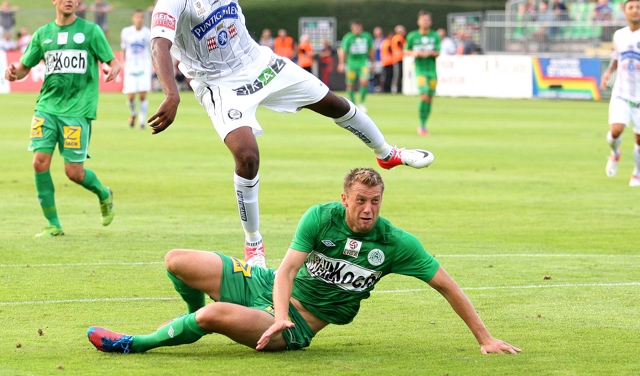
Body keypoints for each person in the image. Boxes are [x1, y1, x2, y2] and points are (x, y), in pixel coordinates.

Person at [146, 0, 434, 268]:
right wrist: (171, 94)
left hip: (257, 62)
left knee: (334, 104)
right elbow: (159, 43)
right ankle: (254, 243)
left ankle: (386, 153)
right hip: (218, 82)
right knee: (247, 155)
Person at [87, 167, 521, 355]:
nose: (368, 210)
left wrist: (485, 337)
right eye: (361, 201)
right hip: (267, 287)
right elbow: (289, 270)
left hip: (298, 324)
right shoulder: (321, 217)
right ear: (345, 199)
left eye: (376, 202)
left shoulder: (395, 243)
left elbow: (446, 284)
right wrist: (274, 310)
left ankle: (136, 343)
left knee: (216, 314)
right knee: (176, 260)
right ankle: (188, 317)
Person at [3, 0, 120, 237]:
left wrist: (113, 69)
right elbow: (24, 68)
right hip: (46, 107)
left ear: (78, 1)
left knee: (73, 172)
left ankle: (103, 193)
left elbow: (112, 61)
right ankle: (53, 225)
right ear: (54, 0)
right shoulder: (43, 34)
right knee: (39, 162)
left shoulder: (90, 32)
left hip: (77, 111)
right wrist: (13, 73)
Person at [601, 0, 640, 186]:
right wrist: (608, 72)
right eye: (631, 7)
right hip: (622, 93)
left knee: (639, 140)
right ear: (625, 12)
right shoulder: (619, 35)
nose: (635, 10)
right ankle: (615, 153)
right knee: (615, 131)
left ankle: (637, 173)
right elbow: (616, 58)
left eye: (638, 7)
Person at [405, 11, 440, 136]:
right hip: (420, 71)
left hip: (432, 71)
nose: (425, 22)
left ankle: (424, 124)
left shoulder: (435, 36)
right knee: (424, 95)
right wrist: (414, 53)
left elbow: (438, 52)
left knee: (429, 98)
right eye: (423, 19)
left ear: (430, 22)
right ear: (418, 22)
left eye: (427, 20)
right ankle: (421, 125)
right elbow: (406, 51)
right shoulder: (412, 36)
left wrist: (429, 53)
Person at [121, 9, 152, 129]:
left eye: (141, 17)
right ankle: (133, 113)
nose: (139, 19)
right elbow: (124, 48)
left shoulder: (148, 33)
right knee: (131, 96)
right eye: (137, 17)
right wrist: (124, 63)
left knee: (143, 94)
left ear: (143, 19)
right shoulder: (126, 32)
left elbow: (152, 50)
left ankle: (142, 122)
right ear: (133, 18)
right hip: (130, 66)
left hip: (144, 65)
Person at [338, 20, 374, 112]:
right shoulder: (348, 37)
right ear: (352, 28)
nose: (357, 29)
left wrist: (373, 62)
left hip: (363, 64)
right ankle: (353, 103)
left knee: (364, 81)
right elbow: (343, 51)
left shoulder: (367, 36)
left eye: (359, 27)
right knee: (350, 85)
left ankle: (361, 102)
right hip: (351, 65)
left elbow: (371, 49)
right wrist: (341, 63)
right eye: (355, 27)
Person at [391, 25, 406, 94]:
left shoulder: (394, 37)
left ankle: (396, 89)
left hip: (396, 58)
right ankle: (397, 89)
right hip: (399, 58)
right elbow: (401, 45)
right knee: (398, 75)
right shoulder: (399, 37)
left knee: (397, 75)